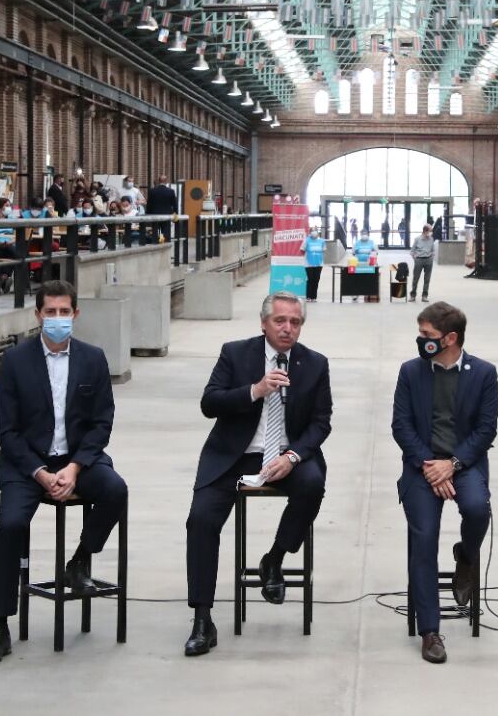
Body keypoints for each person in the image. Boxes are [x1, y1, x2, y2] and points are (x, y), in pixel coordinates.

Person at [0, 280, 127, 665]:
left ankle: (79, 561)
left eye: (64, 312)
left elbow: (101, 423)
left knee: (115, 490)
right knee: (10, 526)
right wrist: (41, 473)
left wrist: (75, 467)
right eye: (50, 312)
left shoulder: (93, 358)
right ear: (38, 315)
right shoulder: (14, 361)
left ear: (75, 314)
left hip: (77, 460)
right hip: (27, 464)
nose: (57, 318)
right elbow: (6, 431)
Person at [184, 292, 332, 657]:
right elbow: (209, 403)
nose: (287, 329)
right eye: (280, 321)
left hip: (285, 454)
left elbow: (320, 422)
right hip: (236, 455)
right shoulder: (236, 353)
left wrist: (294, 456)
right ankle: (202, 618)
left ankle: (274, 559)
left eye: (295, 322)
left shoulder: (314, 364)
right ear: (264, 323)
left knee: (312, 484)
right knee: (201, 520)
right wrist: (255, 390)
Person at [392, 302, 498, 664]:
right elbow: (401, 426)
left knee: (476, 508)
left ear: (450, 338)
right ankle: (430, 631)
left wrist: (451, 465)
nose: (421, 342)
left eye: (427, 336)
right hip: (423, 466)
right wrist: (430, 466)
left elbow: (486, 430)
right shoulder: (411, 372)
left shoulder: (483, 373)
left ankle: (466, 557)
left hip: (463, 464)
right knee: (423, 537)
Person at [145, 175, 179, 243]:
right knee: (165, 231)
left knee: (155, 230)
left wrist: (147, 213)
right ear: (166, 182)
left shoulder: (152, 191)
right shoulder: (170, 191)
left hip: (155, 215)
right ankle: (164, 242)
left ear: (159, 181)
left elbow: (149, 204)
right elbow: (174, 204)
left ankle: (155, 242)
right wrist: (175, 214)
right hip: (166, 215)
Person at [410, 223, 436, 302]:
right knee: (416, 278)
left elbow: (433, 250)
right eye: (430, 231)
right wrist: (416, 259)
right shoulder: (417, 239)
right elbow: (412, 251)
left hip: (428, 260)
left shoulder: (431, 239)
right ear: (425, 231)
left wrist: (431, 256)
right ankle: (413, 295)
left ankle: (424, 296)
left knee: (427, 279)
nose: (431, 232)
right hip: (419, 260)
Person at [301, 228, 326, 302]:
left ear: (317, 232)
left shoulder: (322, 241)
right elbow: (302, 249)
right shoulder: (307, 240)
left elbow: (324, 250)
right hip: (308, 264)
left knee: (316, 279)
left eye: (315, 231)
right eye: (312, 231)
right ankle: (308, 296)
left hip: (319, 263)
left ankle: (314, 297)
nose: (313, 233)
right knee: (310, 279)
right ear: (310, 232)